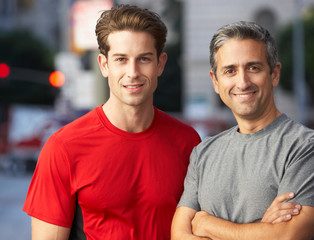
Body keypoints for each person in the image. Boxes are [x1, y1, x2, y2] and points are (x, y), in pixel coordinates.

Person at [23, 5, 201, 240]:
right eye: (121, 59)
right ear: (104, 65)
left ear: (160, 63)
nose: (132, 72)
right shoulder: (63, 148)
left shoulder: (188, 142)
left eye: (144, 59)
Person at [171, 21, 314, 239]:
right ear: (216, 82)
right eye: (230, 71)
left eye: (253, 68)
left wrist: (207, 225)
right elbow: (179, 235)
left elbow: (288, 235)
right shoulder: (204, 153)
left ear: (274, 74)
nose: (243, 82)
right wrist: (262, 230)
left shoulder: (304, 147)